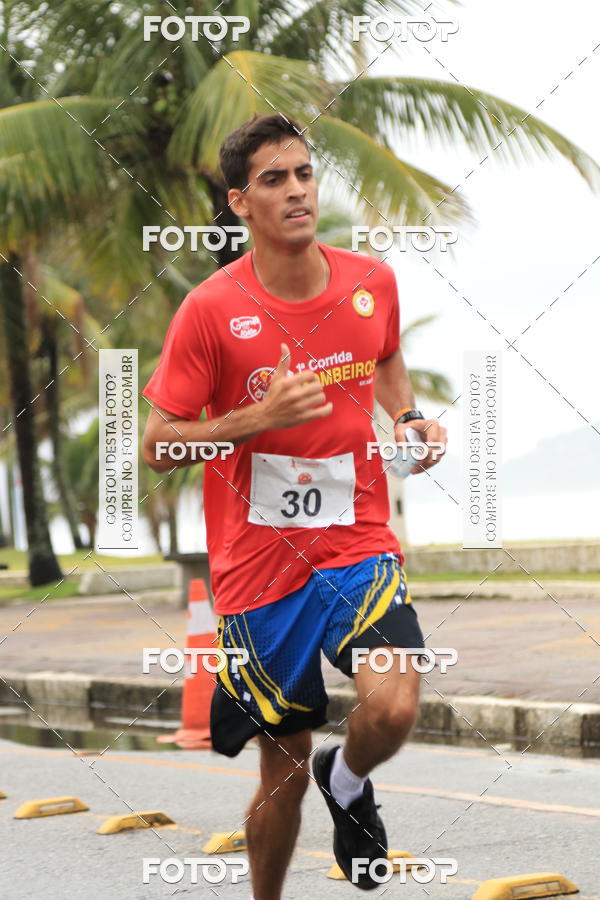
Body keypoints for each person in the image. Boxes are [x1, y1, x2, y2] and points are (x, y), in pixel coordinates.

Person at [142, 113, 447, 899]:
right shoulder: (209, 311)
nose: (297, 190)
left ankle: (347, 779)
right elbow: (159, 443)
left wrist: (408, 418)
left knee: (395, 703)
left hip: (355, 544)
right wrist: (255, 419)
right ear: (241, 202)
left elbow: (385, 355)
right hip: (257, 572)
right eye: (274, 180)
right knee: (279, 776)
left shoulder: (369, 282)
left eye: (304, 173)